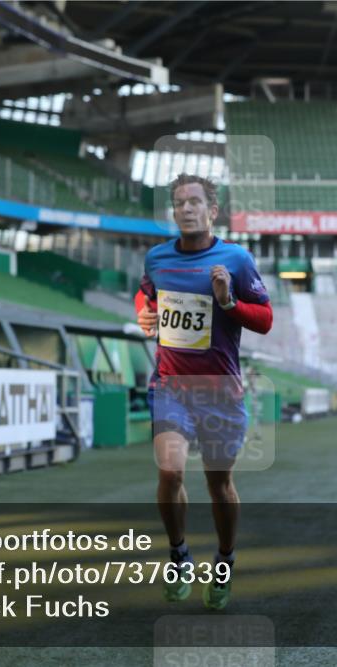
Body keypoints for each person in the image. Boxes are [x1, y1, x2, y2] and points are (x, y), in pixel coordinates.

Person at [134, 173, 272, 611]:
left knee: (220, 484)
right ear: (174, 212)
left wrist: (229, 302)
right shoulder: (157, 258)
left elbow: (265, 319)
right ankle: (178, 554)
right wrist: (145, 316)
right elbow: (145, 294)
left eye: (195, 202)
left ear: (212, 211)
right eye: (179, 203)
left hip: (220, 392)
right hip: (171, 385)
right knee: (170, 471)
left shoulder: (235, 259)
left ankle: (225, 560)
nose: (187, 209)